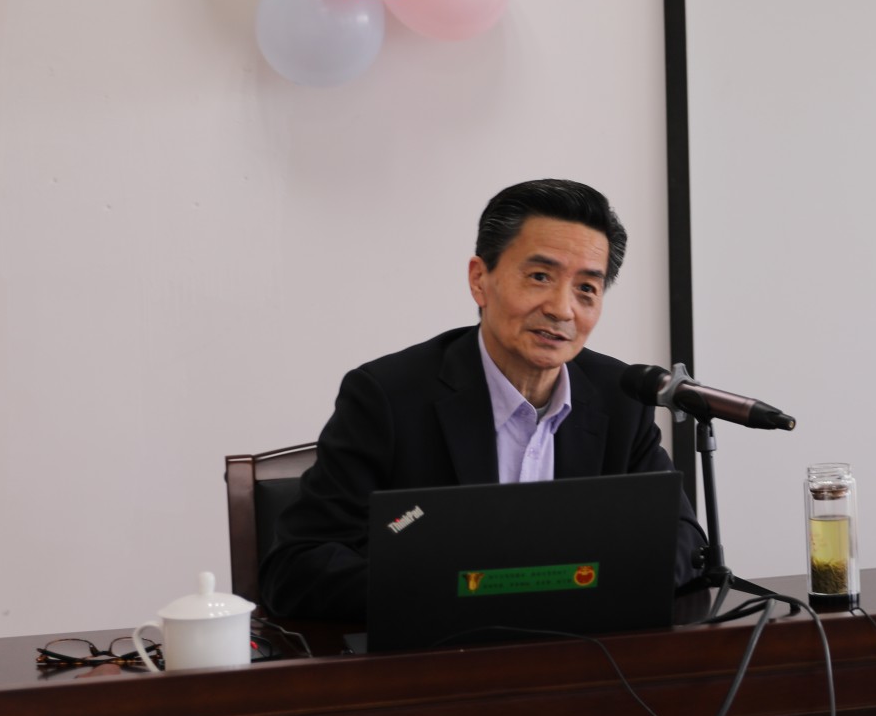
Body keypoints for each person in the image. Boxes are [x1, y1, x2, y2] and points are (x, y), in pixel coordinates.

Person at [259, 179, 704, 621]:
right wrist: (469, 590)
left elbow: (682, 540)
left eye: (586, 288)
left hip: (583, 652)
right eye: (540, 277)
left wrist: (582, 585)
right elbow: (296, 569)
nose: (561, 308)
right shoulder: (388, 398)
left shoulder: (620, 398)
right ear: (479, 280)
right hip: (442, 654)